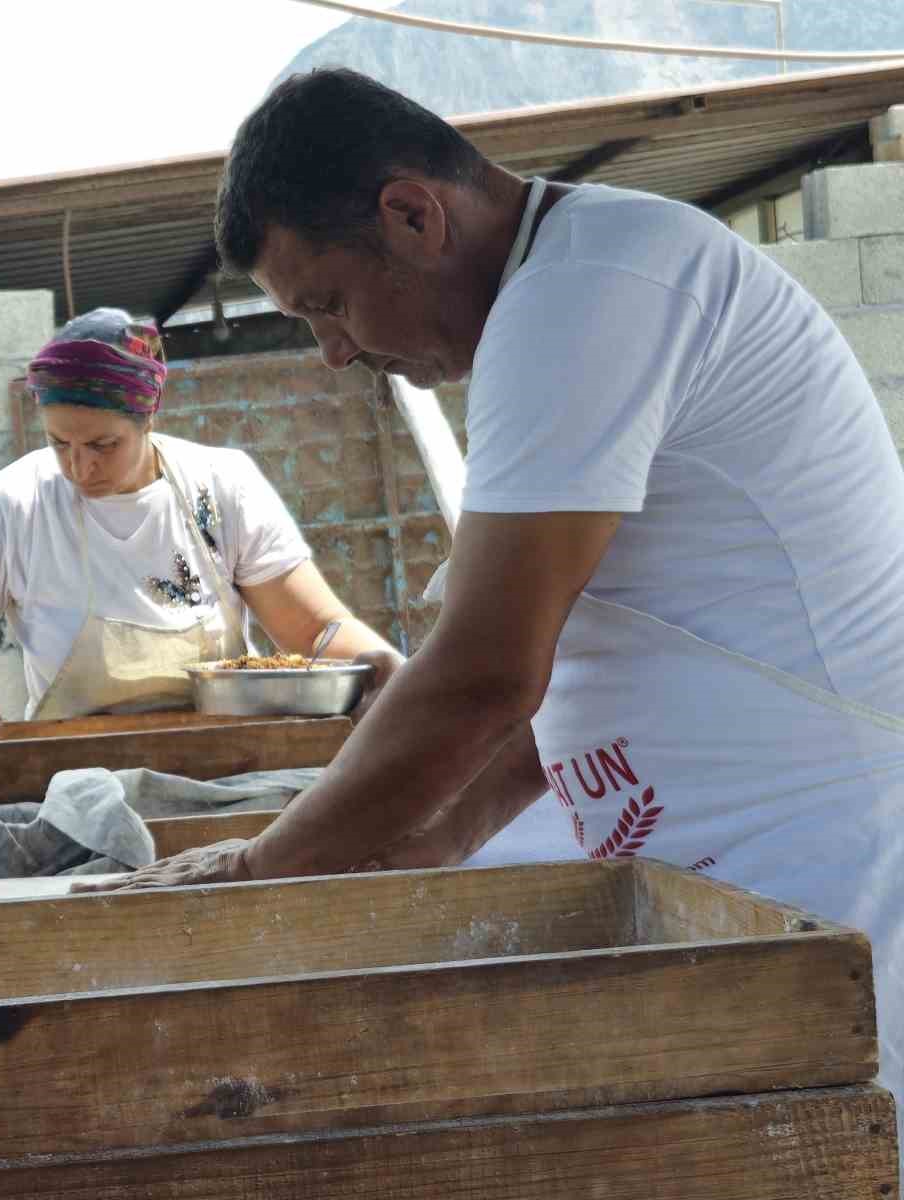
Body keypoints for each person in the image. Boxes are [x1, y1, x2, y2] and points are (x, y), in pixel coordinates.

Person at [76, 68, 904, 1118]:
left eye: (326, 303)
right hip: (714, 852)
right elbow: (555, 670)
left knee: (841, 1141)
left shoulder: (586, 291)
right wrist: (440, 835)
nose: (333, 353)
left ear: (412, 214)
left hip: (818, 858)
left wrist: (258, 878)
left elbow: (484, 674)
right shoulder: (561, 289)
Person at [0, 306, 402, 744]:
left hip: (231, 762)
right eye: (59, 443)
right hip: (77, 778)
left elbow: (314, 630)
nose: (79, 467)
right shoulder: (18, 504)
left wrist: (382, 664)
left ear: (149, 415)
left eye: (103, 445)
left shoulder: (220, 488)